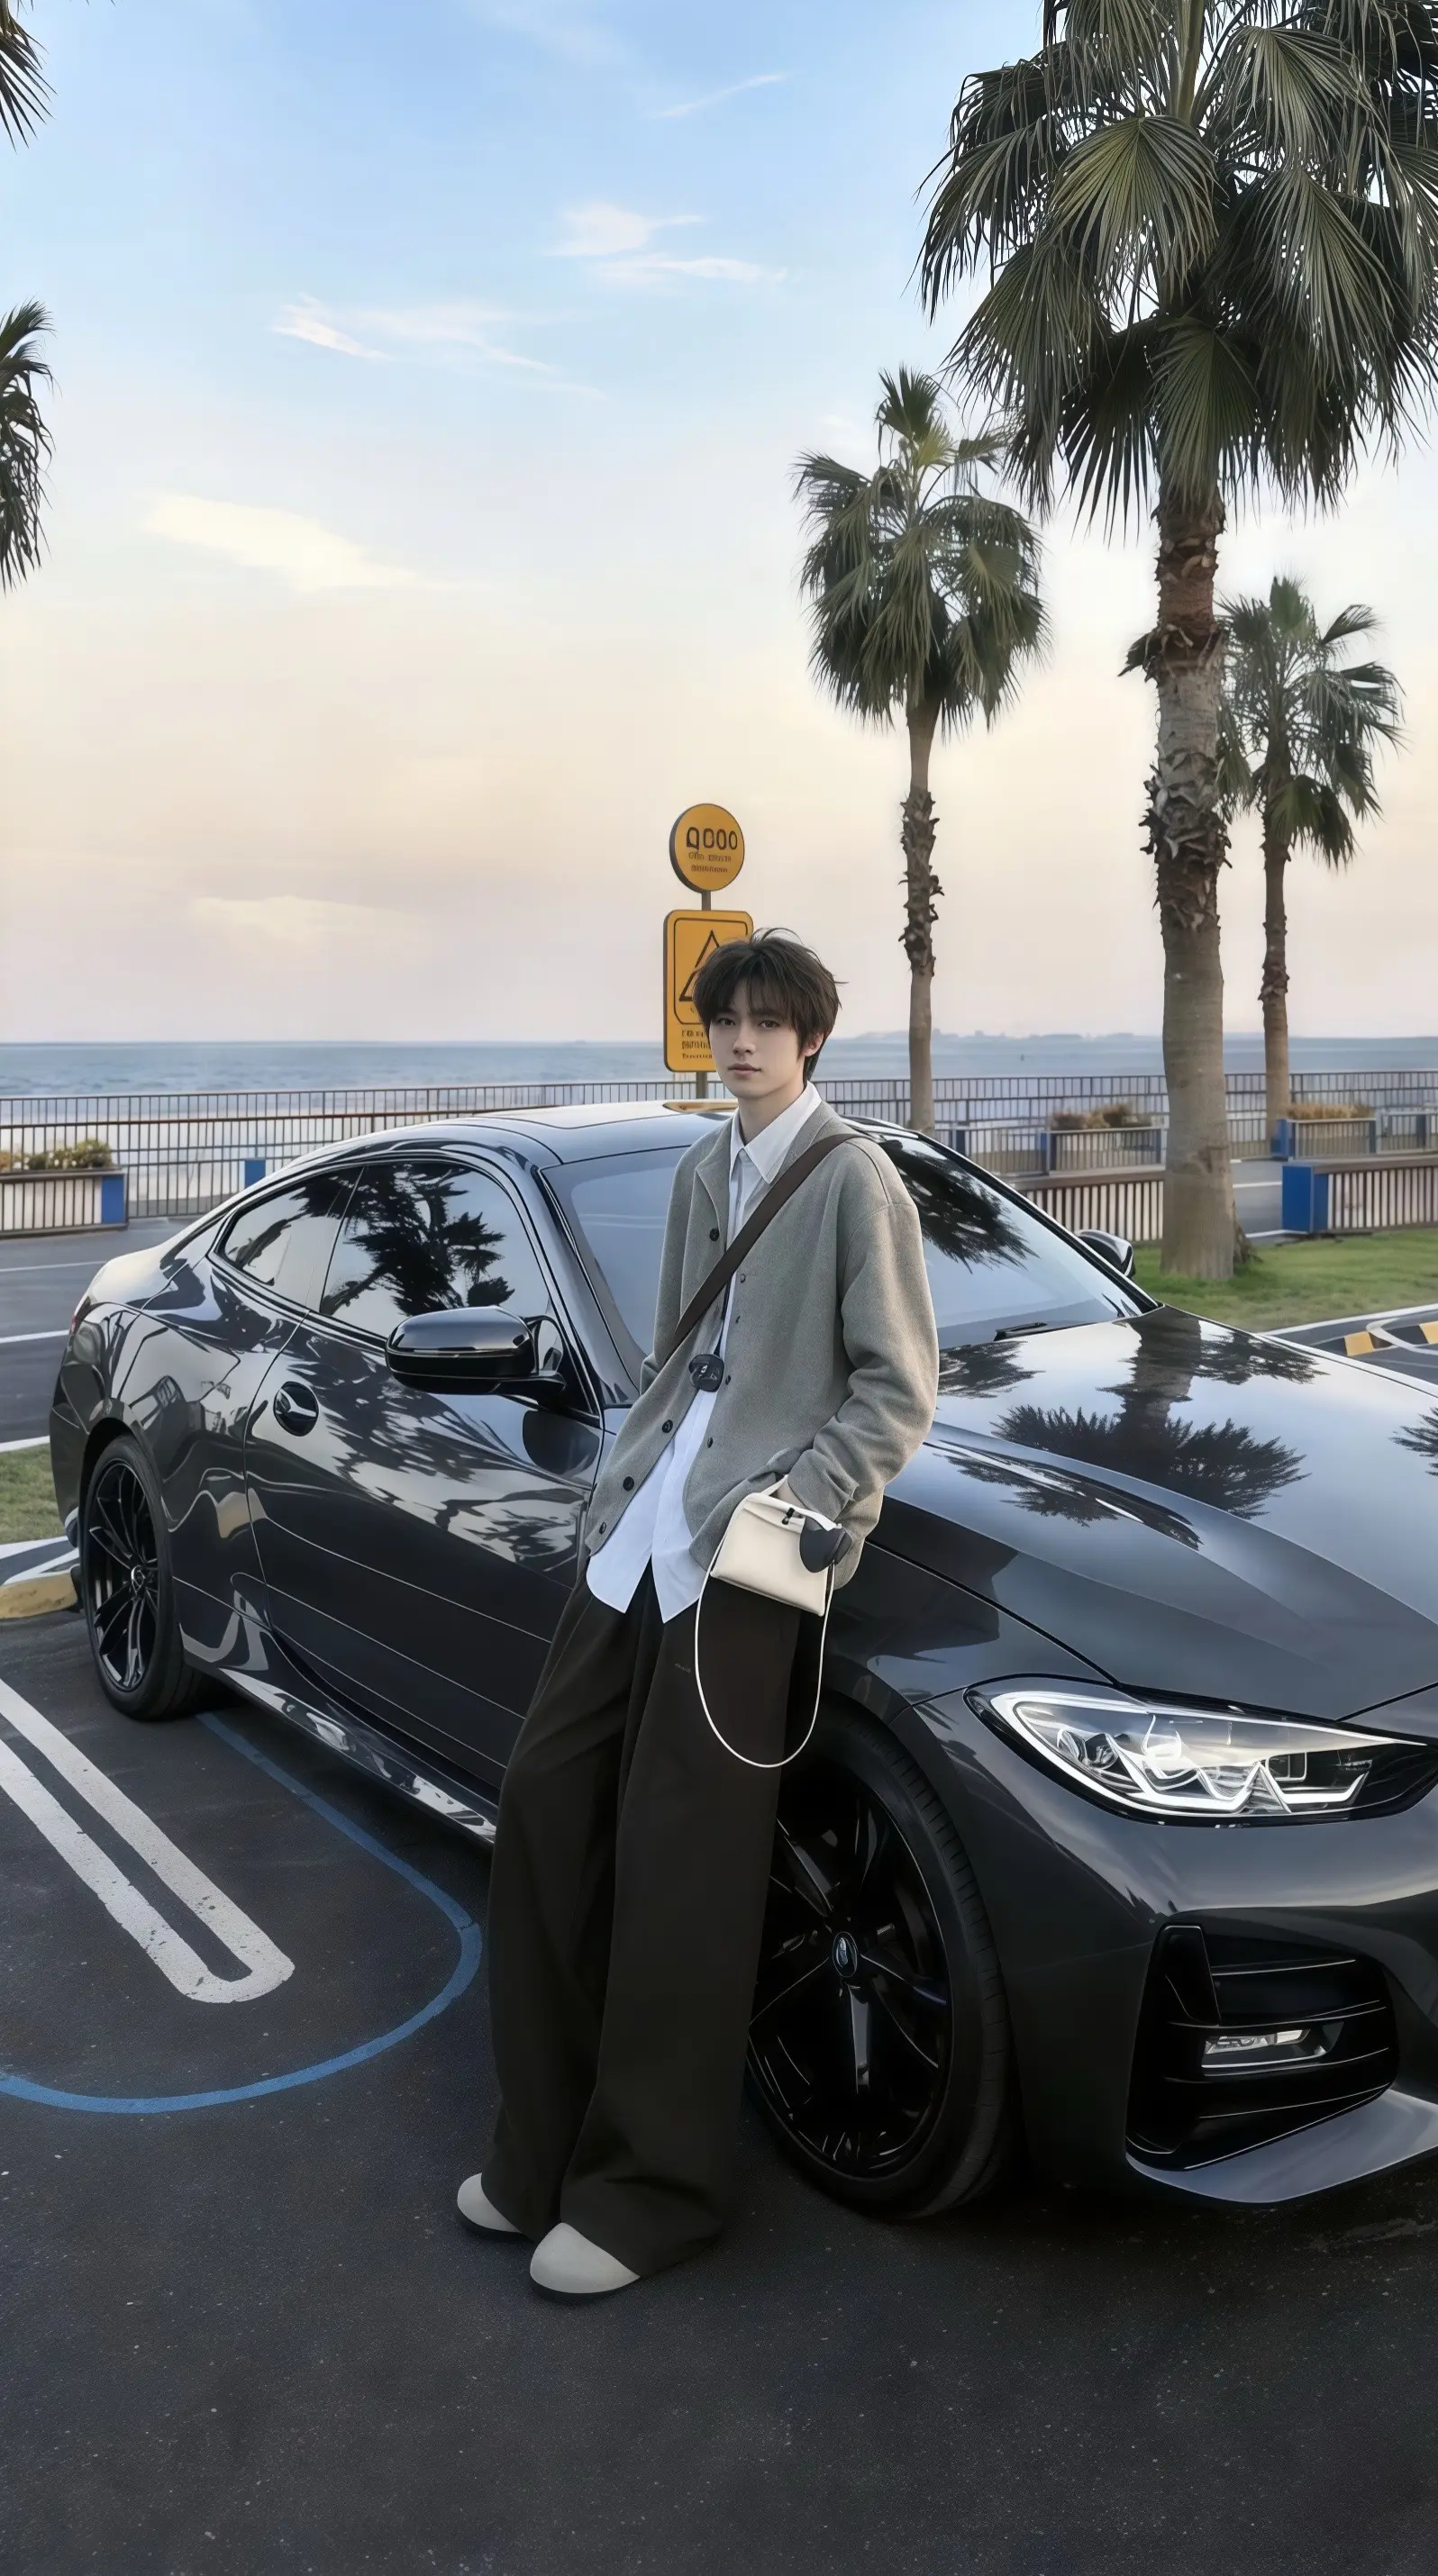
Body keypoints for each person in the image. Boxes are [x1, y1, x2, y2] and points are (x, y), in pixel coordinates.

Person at [459, 929, 941, 2297]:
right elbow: (684, 1355)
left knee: (686, 1870)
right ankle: (539, 2152)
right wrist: (626, 1477)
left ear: (811, 1038)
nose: (741, 1041)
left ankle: (651, 2192)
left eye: (768, 1022)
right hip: (642, 1532)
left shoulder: (854, 1179)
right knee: (545, 1812)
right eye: (725, 1019)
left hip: (749, 1556)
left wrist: (801, 1501)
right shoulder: (698, 1170)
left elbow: (897, 1387)